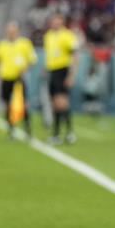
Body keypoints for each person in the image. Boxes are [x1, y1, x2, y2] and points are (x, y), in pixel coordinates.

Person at [0, 21, 36, 139]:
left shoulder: (24, 43)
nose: (11, 32)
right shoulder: (1, 45)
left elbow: (31, 59)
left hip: (19, 78)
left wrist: (24, 70)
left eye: (13, 30)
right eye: (9, 30)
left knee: (23, 104)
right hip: (6, 77)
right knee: (7, 105)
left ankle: (27, 129)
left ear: (17, 31)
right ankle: (11, 130)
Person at [43, 13, 80, 144]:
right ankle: (56, 134)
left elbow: (75, 56)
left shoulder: (68, 36)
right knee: (55, 104)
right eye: (53, 21)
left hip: (62, 70)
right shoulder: (48, 36)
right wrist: (45, 69)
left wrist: (71, 75)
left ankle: (69, 133)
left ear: (62, 22)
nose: (55, 24)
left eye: (58, 21)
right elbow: (50, 56)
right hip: (52, 71)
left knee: (62, 102)